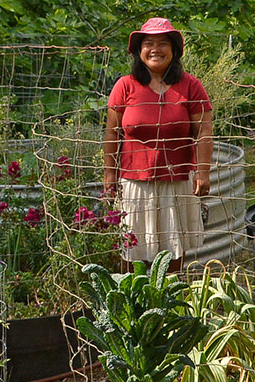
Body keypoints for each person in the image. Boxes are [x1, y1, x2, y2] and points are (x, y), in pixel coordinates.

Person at [104, 17, 213, 273]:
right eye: (149, 43)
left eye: (163, 43)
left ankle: (168, 301)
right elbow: (112, 132)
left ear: (174, 50)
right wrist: (109, 173)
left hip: (175, 182)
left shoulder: (191, 86)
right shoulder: (125, 86)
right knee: (133, 248)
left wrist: (203, 171)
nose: (156, 49)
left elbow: (204, 131)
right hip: (134, 182)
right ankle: (135, 302)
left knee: (173, 247)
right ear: (139, 50)